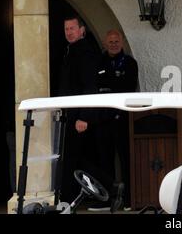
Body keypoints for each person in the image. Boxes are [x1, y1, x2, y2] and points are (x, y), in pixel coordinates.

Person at [88, 29, 138, 212]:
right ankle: (106, 200)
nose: (114, 44)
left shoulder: (130, 63)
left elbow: (126, 88)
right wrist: (111, 84)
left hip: (122, 118)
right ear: (104, 43)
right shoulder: (98, 62)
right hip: (102, 119)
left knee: (126, 159)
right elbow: (96, 87)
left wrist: (108, 85)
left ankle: (130, 199)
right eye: (110, 41)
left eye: (116, 41)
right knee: (104, 160)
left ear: (122, 42)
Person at [58, 15, 101, 203]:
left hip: (79, 116)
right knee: (75, 158)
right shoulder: (71, 50)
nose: (69, 32)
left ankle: (109, 188)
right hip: (70, 114)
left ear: (81, 30)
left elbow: (90, 85)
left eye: (72, 28)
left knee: (76, 159)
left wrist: (84, 116)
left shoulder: (84, 52)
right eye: (66, 29)